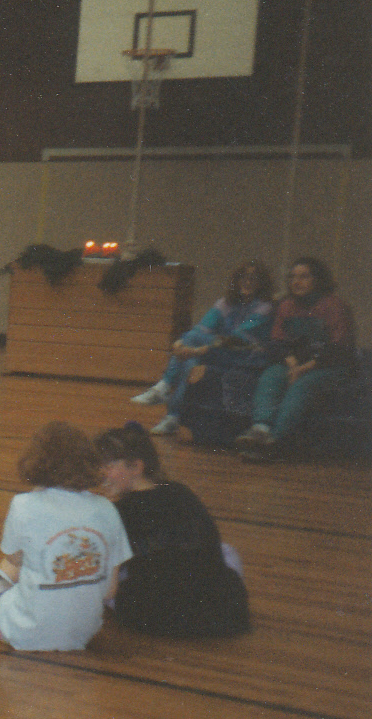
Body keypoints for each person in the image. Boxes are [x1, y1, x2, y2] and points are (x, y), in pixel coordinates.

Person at [0, 421, 131, 652]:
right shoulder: (107, 509)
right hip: (83, 635)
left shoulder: (24, 505)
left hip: (22, 632)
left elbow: (14, 561)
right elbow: (109, 591)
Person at [94, 423, 249, 638]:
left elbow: (108, 589)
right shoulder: (181, 492)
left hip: (157, 617)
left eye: (108, 467)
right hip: (224, 613)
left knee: (111, 572)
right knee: (227, 552)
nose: (101, 474)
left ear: (136, 467)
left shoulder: (117, 513)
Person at [133, 259, 275, 436]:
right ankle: (173, 417)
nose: (247, 282)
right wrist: (180, 344)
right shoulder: (226, 303)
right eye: (243, 278)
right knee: (191, 360)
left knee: (193, 350)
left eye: (253, 278)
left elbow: (236, 341)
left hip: (245, 358)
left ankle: (165, 390)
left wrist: (195, 349)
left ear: (262, 283)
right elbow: (201, 328)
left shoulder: (265, 308)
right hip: (219, 352)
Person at [236, 257, 358, 462]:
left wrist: (304, 369)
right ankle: (260, 429)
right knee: (271, 376)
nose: (296, 282)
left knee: (302, 386)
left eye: (304, 277)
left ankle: (276, 441)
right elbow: (277, 342)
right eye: (292, 277)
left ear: (318, 280)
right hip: (296, 365)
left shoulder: (335, 306)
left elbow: (339, 349)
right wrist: (292, 364)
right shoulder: (286, 306)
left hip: (330, 367)